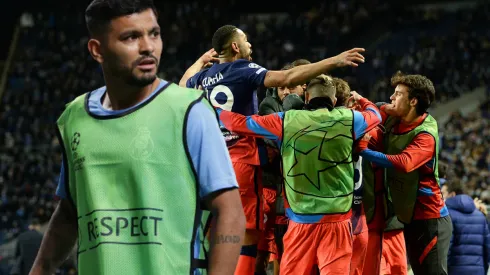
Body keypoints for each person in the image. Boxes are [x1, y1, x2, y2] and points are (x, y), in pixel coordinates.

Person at [29, 1, 245, 274]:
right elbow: (70, 211)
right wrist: (39, 269)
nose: (148, 47)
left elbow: (230, 212)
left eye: (153, 34)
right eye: (131, 37)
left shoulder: (190, 110)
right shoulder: (75, 118)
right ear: (97, 50)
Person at [179, 24, 366, 275]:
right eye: (245, 40)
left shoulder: (201, 78)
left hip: (205, 164)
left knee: (211, 232)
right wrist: (335, 60)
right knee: (246, 235)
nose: (250, 45)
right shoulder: (242, 69)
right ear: (235, 46)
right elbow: (287, 77)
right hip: (240, 161)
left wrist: (200, 61)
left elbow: (181, 87)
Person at [214, 74, 381, 274]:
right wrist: (363, 99)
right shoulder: (351, 119)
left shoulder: (286, 120)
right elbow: (376, 115)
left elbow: (239, 123)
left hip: (301, 220)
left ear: (307, 97)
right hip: (338, 220)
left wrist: (212, 108)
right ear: (334, 101)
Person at [359, 71, 452, 275]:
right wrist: (361, 100)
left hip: (430, 219)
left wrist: (365, 151)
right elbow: (378, 108)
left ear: (413, 101)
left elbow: (405, 163)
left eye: (398, 93)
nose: (392, 97)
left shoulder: (426, 133)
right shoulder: (396, 120)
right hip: (409, 217)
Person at [332, 77, 368, 275]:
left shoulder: (320, 127)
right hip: (358, 216)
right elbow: (375, 115)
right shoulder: (360, 122)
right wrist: (362, 102)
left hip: (334, 216)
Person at [445, 180, 490, 275]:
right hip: (478, 271)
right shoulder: (480, 216)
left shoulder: (448, 215)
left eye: (444, 194)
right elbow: (487, 248)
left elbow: (447, 249)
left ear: (452, 194)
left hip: (454, 271)